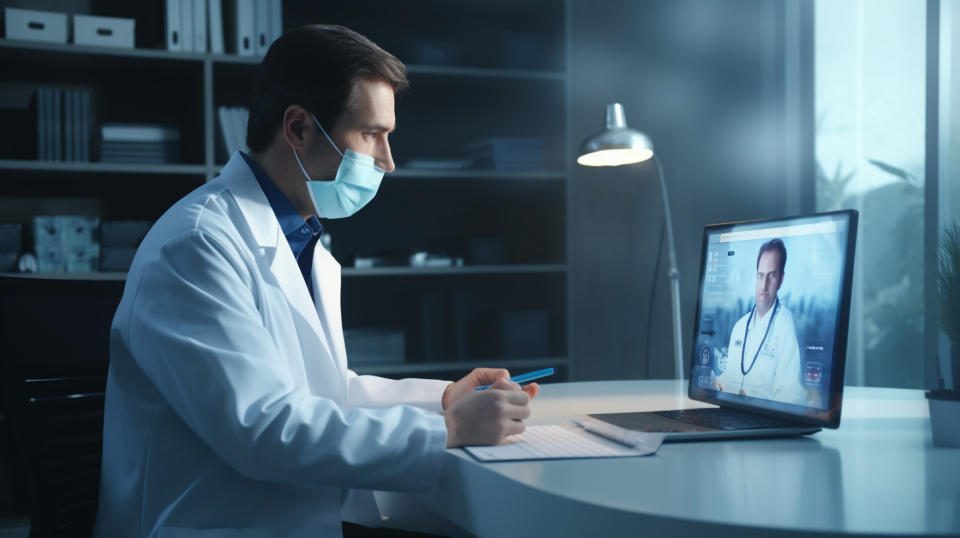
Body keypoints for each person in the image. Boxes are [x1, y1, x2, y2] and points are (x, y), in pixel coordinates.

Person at [93, 25, 538, 538]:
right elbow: (261, 427)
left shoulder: (302, 240)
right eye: (372, 134)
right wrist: (449, 430)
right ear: (299, 128)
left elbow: (322, 393)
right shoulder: (195, 245)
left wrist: (442, 401)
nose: (388, 161)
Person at [713, 238, 805, 405]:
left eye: (772, 276)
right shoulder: (740, 326)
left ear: (781, 280)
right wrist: (714, 383)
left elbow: (791, 393)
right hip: (734, 413)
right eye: (760, 275)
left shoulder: (786, 324)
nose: (764, 285)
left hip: (768, 419)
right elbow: (729, 378)